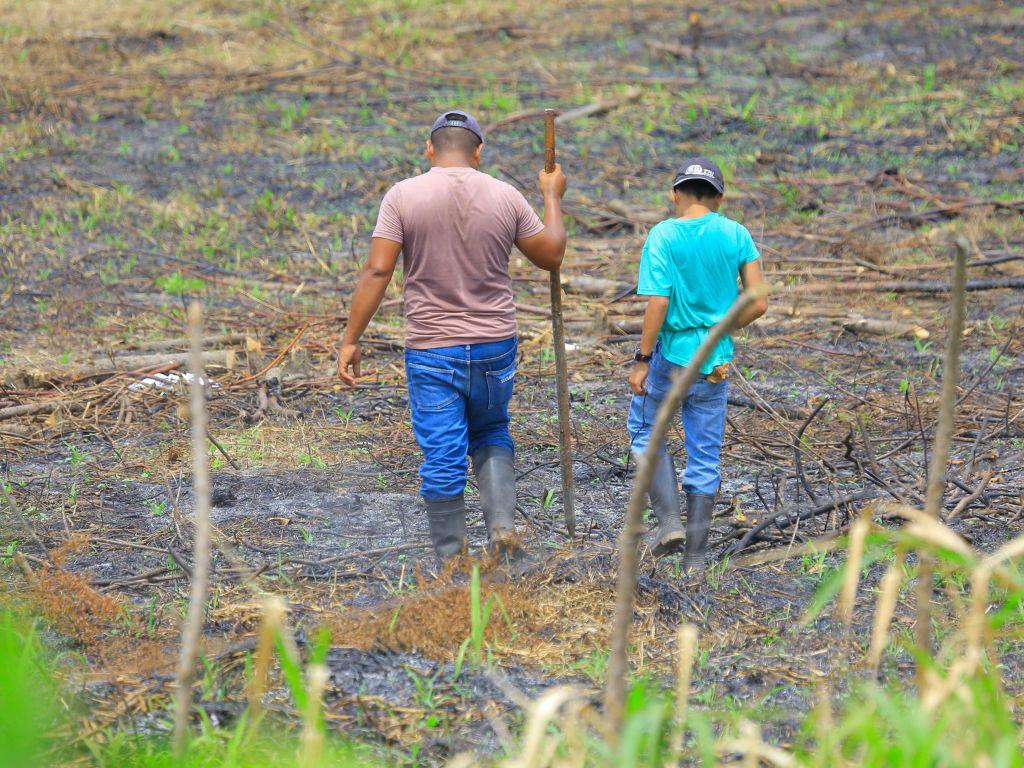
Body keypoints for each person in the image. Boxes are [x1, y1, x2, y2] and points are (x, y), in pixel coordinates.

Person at [337, 110, 567, 567]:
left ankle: (451, 562)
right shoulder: (506, 195)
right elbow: (552, 254)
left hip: (432, 347)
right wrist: (551, 196)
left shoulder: (402, 197)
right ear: (479, 152)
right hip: (494, 344)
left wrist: (351, 338)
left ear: (429, 149)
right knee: (492, 430)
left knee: (443, 451)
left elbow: (379, 269)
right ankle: (502, 530)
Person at [627, 157, 768, 571]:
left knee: (645, 432)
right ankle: (695, 560)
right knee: (705, 454)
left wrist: (641, 360)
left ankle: (669, 521)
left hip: (671, 358)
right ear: (720, 198)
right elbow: (758, 301)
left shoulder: (664, 235)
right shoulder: (736, 234)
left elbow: (659, 301)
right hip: (715, 362)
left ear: (675, 194)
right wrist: (721, 330)